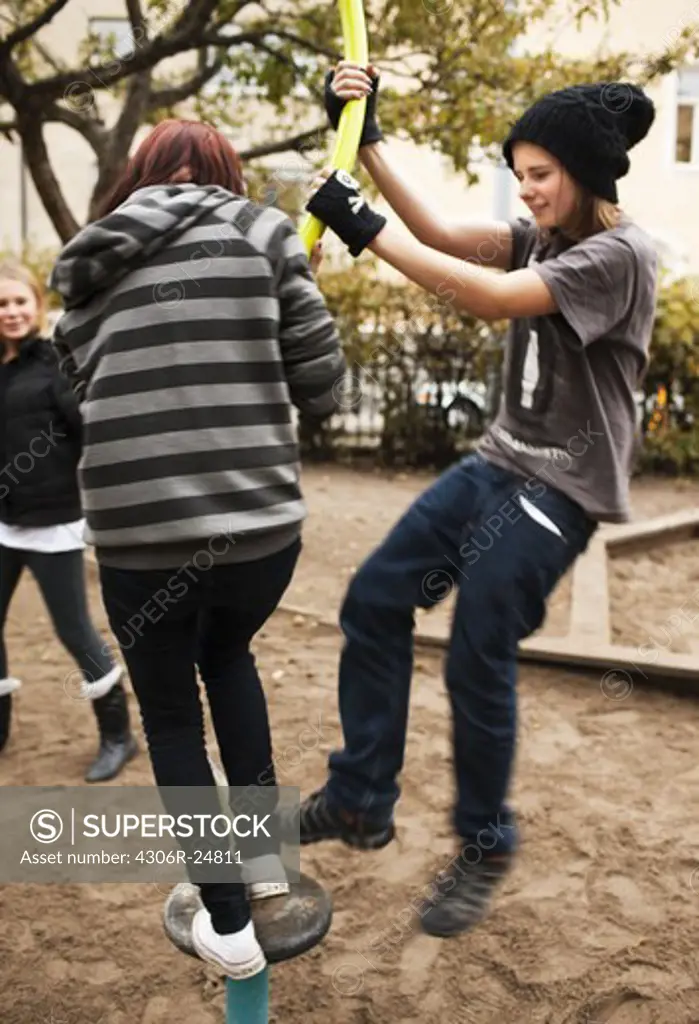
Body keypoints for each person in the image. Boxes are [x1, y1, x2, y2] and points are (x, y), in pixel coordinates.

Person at [298, 69, 659, 937]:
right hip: (496, 463)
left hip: (561, 488)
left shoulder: (616, 255)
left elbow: (491, 298)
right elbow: (437, 236)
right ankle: (359, 800)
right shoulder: (534, 235)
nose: (527, 189)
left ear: (585, 171)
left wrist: (358, 226)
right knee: (374, 602)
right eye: (520, 173)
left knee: (476, 647)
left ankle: (485, 841)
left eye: (540, 173)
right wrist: (368, 134)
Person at [47, 119, 346, 979]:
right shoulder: (265, 233)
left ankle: (228, 928)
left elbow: (77, 395)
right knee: (230, 661)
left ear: (137, 175)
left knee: (172, 716)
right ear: (225, 172)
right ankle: (255, 871)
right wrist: (285, 304)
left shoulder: (86, 265)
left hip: (139, 541)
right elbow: (321, 389)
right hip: (256, 534)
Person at [0, 261, 137, 782]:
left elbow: (90, 435)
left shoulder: (57, 363)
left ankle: (119, 735)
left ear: (37, 306)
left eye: (20, 302)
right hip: (4, 521)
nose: (11, 313)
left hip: (53, 521)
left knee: (73, 629)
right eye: (1, 304)